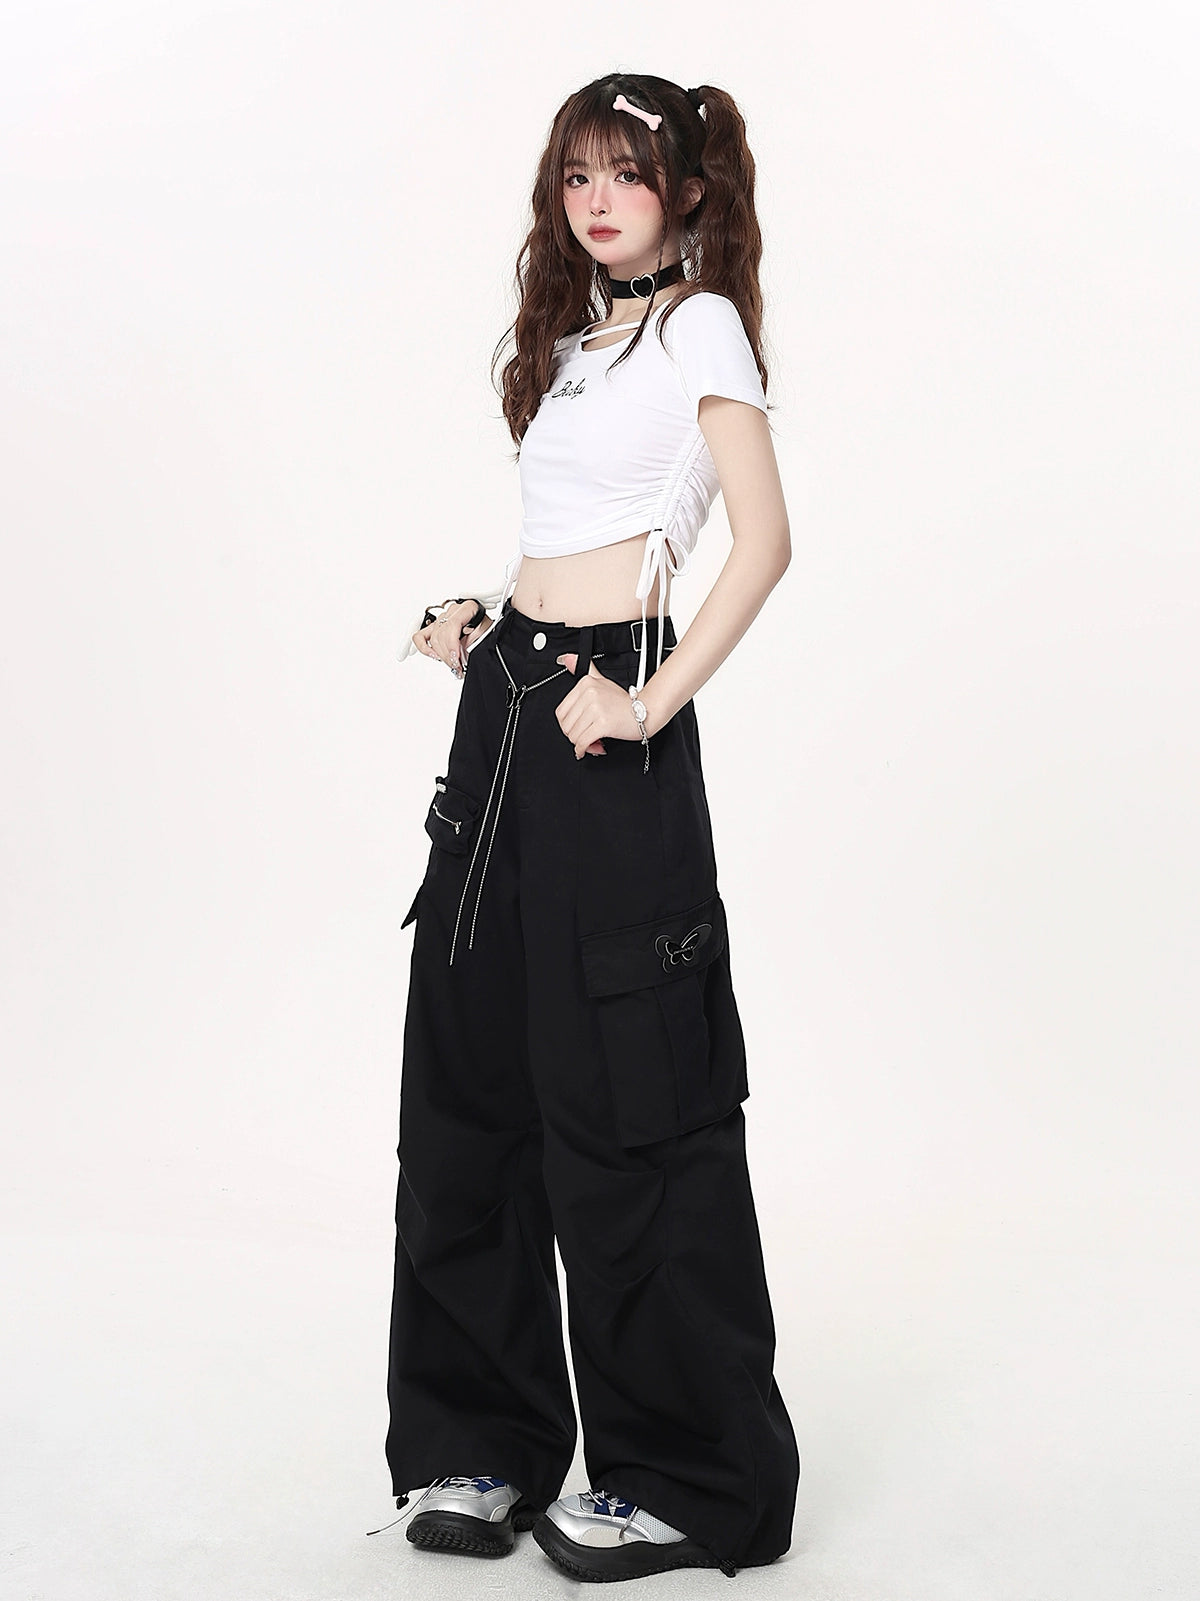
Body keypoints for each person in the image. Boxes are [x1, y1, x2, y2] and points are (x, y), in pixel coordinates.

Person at [382, 72, 800, 1582]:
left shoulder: (701, 327)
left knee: (635, 1093)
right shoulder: (574, 346)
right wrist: (484, 622)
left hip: (610, 713)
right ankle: (484, 1443)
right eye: (575, 176)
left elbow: (764, 541)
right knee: (472, 1082)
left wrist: (651, 699)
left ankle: (684, 1474)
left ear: (685, 189)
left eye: (625, 172)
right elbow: (561, 542)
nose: (597, 200)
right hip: (509, 707)